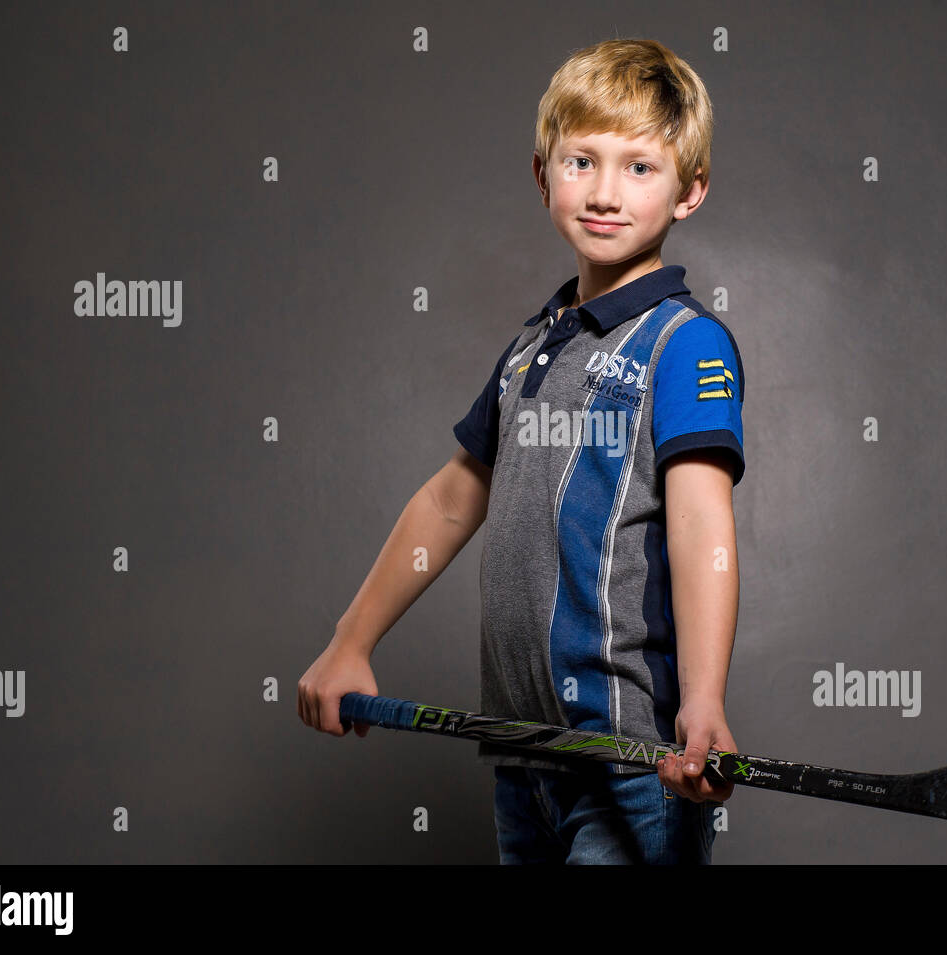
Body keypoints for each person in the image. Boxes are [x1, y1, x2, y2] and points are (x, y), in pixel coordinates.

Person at [299, 37, 746, 864]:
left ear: (692, 190)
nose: (606, 192)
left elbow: (699, 525)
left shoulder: (687, 346)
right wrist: (351, 641)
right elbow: (451, 498)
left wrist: (706, 699)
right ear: (543, 175)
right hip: (522, 749)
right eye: (582, 161)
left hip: (635, 758)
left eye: (641, 168)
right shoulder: (534, 345)